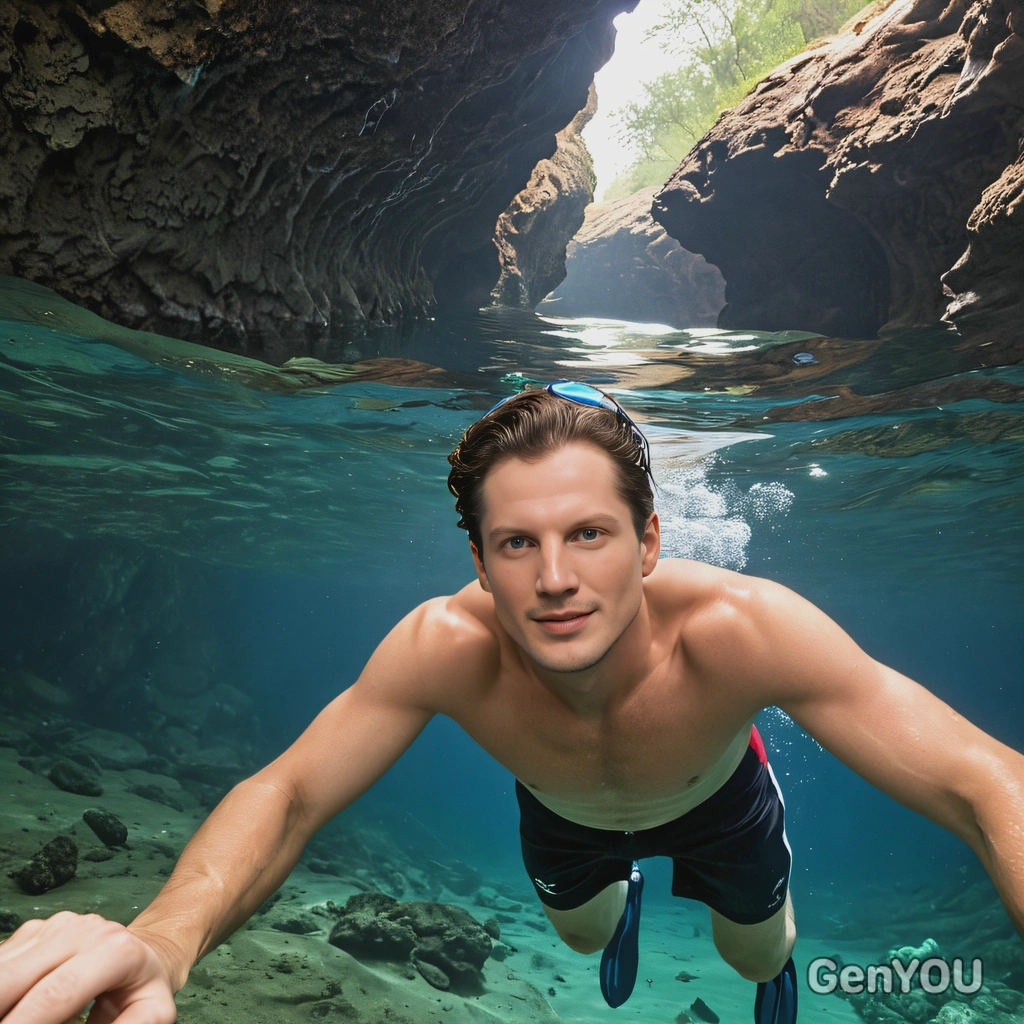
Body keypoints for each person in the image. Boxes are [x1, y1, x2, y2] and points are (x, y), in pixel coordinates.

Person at [1, 382, 1022, 1024]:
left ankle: (768, 969)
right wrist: (168, 941)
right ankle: (614, 908)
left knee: (754, 948)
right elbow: (292, 792)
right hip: (567, 816)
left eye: (589, 533)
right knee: (582, 938)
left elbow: (982, 779)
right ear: (480, 561)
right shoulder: (444, 645)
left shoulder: (744, 629)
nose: (555, 578)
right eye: (517, 543)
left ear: (650, 542)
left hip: (723, 802)